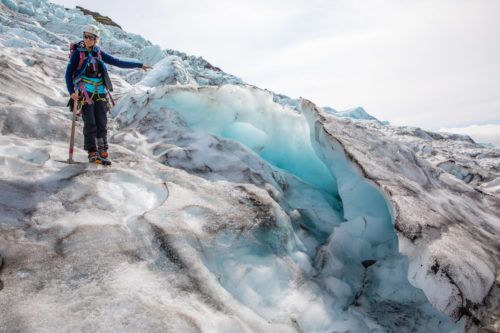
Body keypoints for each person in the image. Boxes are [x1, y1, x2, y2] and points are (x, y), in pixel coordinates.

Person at [65, 24, 151, 164]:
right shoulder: (78, 53)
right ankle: (92, 152)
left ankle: (103, 151)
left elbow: (117, 62)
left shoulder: (98, 52)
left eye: (90, 37)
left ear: (96, 39)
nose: (87, 39)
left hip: (100, 93)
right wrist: (71, 92)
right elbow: (68, 74)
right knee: (90, 123)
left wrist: (139, 65)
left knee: (102, 123)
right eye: (85, 36)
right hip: (84, 93)